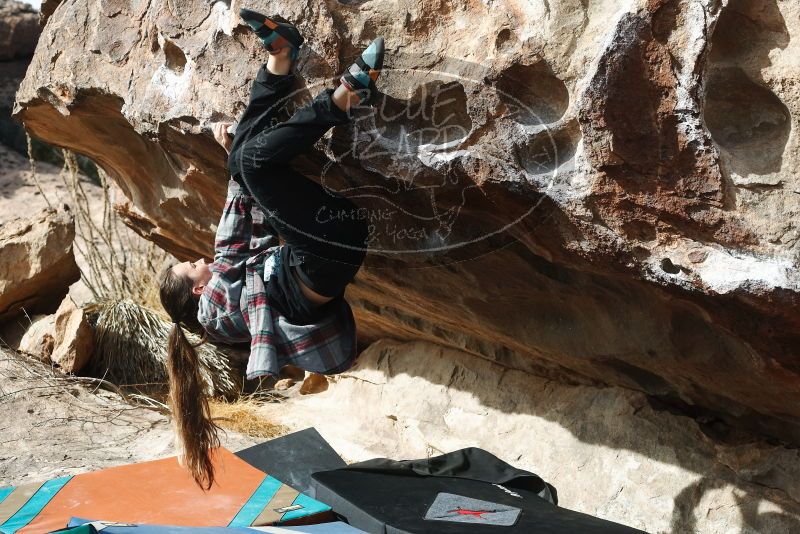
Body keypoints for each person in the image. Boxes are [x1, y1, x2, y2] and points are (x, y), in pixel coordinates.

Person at [157, 8, 384, 489]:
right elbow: (234, 242)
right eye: (191, 268)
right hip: (323, 255)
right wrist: (237, 167)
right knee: (249, 166)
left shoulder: (230, 292)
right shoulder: (216, 311)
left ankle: (281, 56)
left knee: (245, 158)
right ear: (198, 293)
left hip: (329, 244)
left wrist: (233, 158)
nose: (199, 261)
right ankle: (342, 98)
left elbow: (242, 230)